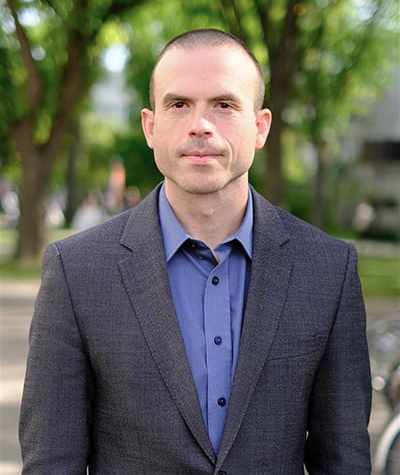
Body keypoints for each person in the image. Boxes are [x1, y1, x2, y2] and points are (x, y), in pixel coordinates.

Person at [19, 28, 372, 474]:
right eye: (179, 104)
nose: (200, 124)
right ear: (150, 126)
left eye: (224, 105)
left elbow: (344, 461)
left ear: (260, 127)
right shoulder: (76, 271)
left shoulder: (328, 270)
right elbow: (52, 463)